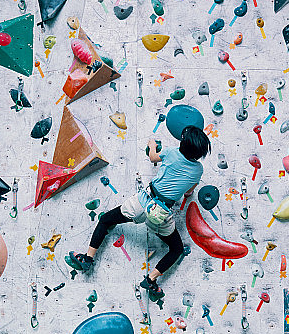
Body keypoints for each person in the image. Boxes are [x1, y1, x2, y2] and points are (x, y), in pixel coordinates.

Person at [68, 125, 211, 298]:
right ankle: (150, 279)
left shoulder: (171, 152)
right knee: (176, 249)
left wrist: (152, 145)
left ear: (182, 143)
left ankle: (88, 258)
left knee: (106, 220)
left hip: (142, 202)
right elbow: (189, 191)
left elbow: (153, 158)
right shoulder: (198, 170)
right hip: (161, 215)